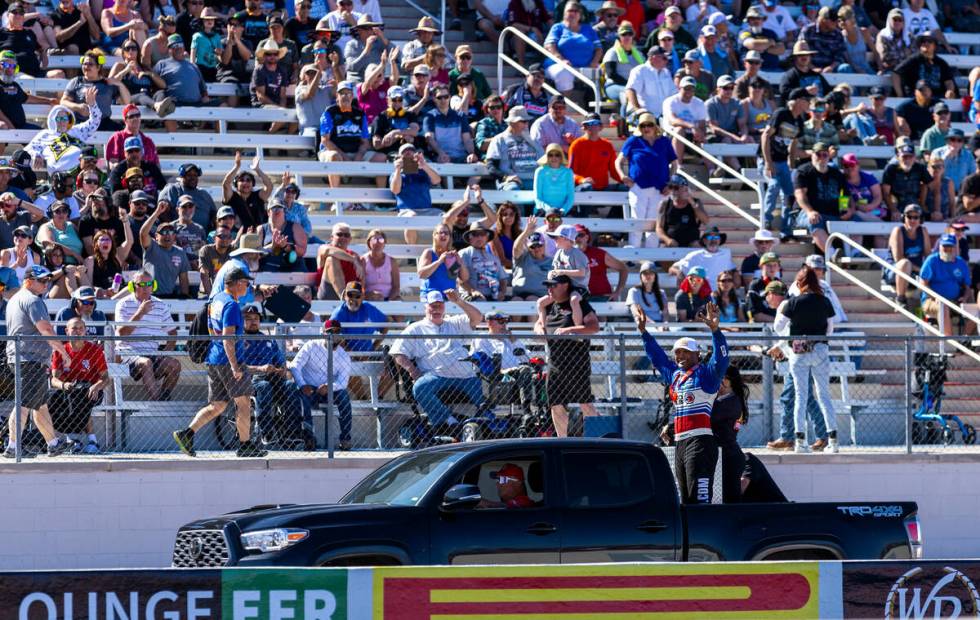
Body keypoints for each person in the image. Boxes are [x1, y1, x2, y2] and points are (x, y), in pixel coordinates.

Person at [637, 302, 728, 504]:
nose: (680, 355)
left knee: (700, 501)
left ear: (697, 355)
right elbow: (658, 358)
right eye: (677, 352)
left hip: (701, 443)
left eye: (686, 352)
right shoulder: (675, 376)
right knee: (684, 501)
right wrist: (644, 332)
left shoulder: (706, 375)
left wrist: (716, 331)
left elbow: (722, 360)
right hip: (680, 443)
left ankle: (703, 534)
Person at [173, 267, 266, 458]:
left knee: (218, 405)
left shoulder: (216, 300)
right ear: (238, 283)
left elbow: (214, 331)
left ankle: (187, 433)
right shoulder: (231, 305)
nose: (248, 286)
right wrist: (234, 366)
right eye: (246, 283)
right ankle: (245, 445)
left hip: (214, 358)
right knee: (244, 402)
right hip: (228, 361)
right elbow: (227, 338)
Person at [2, 266, 74, 458]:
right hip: (30, 359)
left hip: (23, 357)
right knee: (24, 404)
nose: (45, 284)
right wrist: (64, 353)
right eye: (41, 280)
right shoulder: (33, 300)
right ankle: (12, 447)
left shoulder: (14, 299)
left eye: (47, 281)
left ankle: (53, 444)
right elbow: (46, 331)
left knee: (40, 405)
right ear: (28, 281)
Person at [390, 290, 484, 432]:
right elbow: (398, 353)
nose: (436, 309)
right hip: (436, 376)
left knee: (483, 390)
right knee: (420, 387)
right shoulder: (415, 329)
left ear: (444, 307)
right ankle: (447, 421)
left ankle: (486, 421)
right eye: (433, 306)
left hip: (466, 376)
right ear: (425, 307)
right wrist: (412, 370)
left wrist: (459, 301)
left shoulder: (454, 323)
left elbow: (477, 318)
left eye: (440, 305)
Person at [535, 274, 600, 437]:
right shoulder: (549, 306)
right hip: (555, 362)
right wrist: (539, 330)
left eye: (553, 285)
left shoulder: (579, 303)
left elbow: (594, 327)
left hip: (577, 362)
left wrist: (569, 329)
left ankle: (596, 439)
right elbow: (538, 324)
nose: (549, 289)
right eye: (548, 286)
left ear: (565, 286)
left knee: (585, 402)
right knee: (555, 404)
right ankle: (561, 441)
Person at [114, 268, 181, 401]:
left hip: (152, 353)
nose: (145, 288)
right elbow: (121, 334)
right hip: (128, 353)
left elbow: (172, 333)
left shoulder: (160, 305)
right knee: (146, 363)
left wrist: (165, 352)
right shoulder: (123, 304)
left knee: (175, 365)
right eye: (141, 285)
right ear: (133, 286)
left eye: (149, 284)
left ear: (153, 286)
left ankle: (163, 398)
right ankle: (158, 402)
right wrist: (139, 313)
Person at [289, 318, 354, 450]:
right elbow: (295, 366)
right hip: (309, 387)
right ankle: (308, 437)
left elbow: (343, 382)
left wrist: (329, 387)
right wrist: (302, 385)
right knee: (302, 398)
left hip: (330, 390)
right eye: (330, 331)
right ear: (323, 333)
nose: (333, 335)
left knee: (344, 396)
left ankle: (345, 439)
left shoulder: (343, 356)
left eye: (337, 332)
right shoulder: (311, 346)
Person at [48, 316, 109, 455]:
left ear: (85, 331)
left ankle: (90, 442)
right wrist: (64, 385)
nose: (78, 331)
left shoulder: (95, 350)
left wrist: (96, 386)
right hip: (68, 390)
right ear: (67, 331)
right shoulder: (60, 351)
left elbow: (106, 378)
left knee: (82, 396)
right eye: (74, 328)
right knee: (51, 403)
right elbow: (54, 379)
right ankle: (73, 440)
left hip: (91, 391)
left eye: (81, 328)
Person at [615, 112, 676, 248]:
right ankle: (632, 255)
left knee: (655, 223)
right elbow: (619, 161)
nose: (646, 128)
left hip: (660, 188)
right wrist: (622, 176)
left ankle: (651, 258)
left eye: (649, 125)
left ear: (655, 126)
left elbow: (675, 164)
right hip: (638, 187)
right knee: (637, 221)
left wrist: (670, 183)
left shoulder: (664, 142)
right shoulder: (633, 141)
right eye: (643, 125)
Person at [759, 87, 808, 237]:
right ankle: (766, 219)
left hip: (782, 161)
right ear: (799, 100)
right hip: (767, 159)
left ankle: (786, 230)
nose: (809, 103)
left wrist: (791, 166)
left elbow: (793, 146)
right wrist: (768, 163)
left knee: (789, 194)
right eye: (806, 100)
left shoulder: (800, 120)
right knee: (774, 184)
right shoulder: (781, 113)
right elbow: (765, 136)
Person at [793, 141, 852, 253]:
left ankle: (855, 255)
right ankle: (832, 255)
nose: (821, 158)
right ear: (812, 155)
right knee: (815, 220)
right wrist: (810, 211)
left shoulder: (836, 174)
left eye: (824, 155)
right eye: (818, 154)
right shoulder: (803, 171)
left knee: (856, 219)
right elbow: (800, 194)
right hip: (806, 213)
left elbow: (844, 194)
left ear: (828, 156)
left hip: (832, 213)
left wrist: (845, 209)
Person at [25, 89, 102, 174]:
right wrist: (37, 154)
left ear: (69, 120)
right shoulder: (45, 134)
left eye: (65, 118)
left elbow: (95, 121)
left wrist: (92, 105)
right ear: (53, 120)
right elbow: (30, 149)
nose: (62, 121)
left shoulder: (77, 130)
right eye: (59, 118)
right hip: (59, 176)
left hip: (81, 172)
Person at [543, 2, 601, 96]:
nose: (573, 13)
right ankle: (564, 104)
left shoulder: (588, 29)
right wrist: (561, 60)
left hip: (585, 66)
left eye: (576, 11)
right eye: (570, 10)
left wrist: (595, 61)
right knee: (564, 73)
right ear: (564, 13)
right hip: (559, 65)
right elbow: (549, 45)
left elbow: (598, 48)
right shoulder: (558, 27)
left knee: (602, 71)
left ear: (580, 14)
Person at [919, 234, 972, 337]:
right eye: (945, 246)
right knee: (943, 306)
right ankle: (949, 342)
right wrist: (935, 297)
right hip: (931, 301)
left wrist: (965, 297)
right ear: (939, 246)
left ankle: (966, 339)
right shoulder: (932, 260)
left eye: (950, 246)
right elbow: (923, 283)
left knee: (975, 308)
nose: (947, 249)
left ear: (955, 247)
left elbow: (967, 287)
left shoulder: (961, 263)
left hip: (955, 300)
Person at [712, 365, 748, 503]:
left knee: (729, 502)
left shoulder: (726, 402)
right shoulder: (737, 399)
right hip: (730, 455)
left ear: (727, 380)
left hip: (728, 457)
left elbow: (703, 417)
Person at [486, 106, 543, 192]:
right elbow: (491, 167)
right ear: (512, 122)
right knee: (513, 189)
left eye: (527, 121)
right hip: (511, 182)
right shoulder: (499, 139)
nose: (526, 124)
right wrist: (505, 177)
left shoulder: (532, 140)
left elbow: (544, 162)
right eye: (523, 121)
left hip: (534, 180)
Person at [139, 203, 190, 298]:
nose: (167, 235)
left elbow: (183, 278)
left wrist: (185, 297)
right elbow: (143, 233)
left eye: (171, 232)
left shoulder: (180, 252)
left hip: (169, 296)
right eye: (163, 232)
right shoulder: (151, 247)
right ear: (156, 237)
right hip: (149, 295)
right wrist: (157, 212)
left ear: (174, 236)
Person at [423, 83, 479, 165]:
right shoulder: (430, 116)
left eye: (446, 97)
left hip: (461, 156)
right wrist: (441, 153)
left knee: (479, 169)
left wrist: (471, 153)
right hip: (440, 157)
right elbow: (429, 139)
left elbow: (467, 139)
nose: (443, 100)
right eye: (439, 97)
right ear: (434, 99)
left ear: (449, 97)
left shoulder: (460, 115)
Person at [892, 33, 957, 99]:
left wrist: (949, 91)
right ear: (920, 45)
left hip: (937, 98)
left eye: (930, 41)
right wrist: (900, 95)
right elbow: (896, 73)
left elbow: (948, 81)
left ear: (935, 46)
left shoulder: (941, 63)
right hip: (916, 98)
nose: (926, 43)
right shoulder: (912, 60)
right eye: (923, 41)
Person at [568, 113, 621, 192]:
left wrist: (625, 179)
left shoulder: (607, 145)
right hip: (583, 187)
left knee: (626, 187)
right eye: (588, 124)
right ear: (584, 127)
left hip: (603, 188)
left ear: (601, 127)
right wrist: (582, 180)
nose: (592, 126)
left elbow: (614, 171)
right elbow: (570, 173)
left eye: (595, 123)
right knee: (587, 187)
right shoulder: (576, 145)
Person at [222, 151, 273, 232]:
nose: (245, 183)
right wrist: (237, 166)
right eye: (241, 180)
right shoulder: (232, 196)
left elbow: (269, 186)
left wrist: (257, 169)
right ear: (236, 184)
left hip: (257, 236)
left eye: (248, 180)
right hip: (235, 237)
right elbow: (226, 184)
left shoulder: (258, 196)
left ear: (253, 184)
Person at [668, 226, 736, 285]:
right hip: (701, 295)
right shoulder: (695, 255)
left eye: (716, 237)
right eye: (710, 237)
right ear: (704, 241)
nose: (713, 240)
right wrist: (679, 273)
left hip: (720, 294)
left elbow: (733, 271)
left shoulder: (726, 254)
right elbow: (671, 269)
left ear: (720, 240)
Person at [662, 76, 707, 165]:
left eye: (692, 89)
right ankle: (677, 166)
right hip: (671, 136)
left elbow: (702, 124)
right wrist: (692, 126)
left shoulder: (699, 103)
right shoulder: (670, 101)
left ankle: (712, 170)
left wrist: (700, 133)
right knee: (680, 130)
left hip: (692, 136)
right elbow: (673, 121)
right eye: (686, 88)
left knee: (703, 136)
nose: (689, 92)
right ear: (679, 88)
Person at [457, 222, 508, 301]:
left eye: (483, 234)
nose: (479, 237)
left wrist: (502, 292)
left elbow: (503, 279)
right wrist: (473, 291)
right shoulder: (463, 254)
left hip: (492, 297)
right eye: (475, 234)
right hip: (470, 295)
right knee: (480, 300)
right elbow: (460, 280)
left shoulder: (494, 258)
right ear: (470, 237)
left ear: (487, 237)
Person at [575, 224, 626, 302]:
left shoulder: (598, 253)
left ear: (587, 237)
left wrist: (617, 292)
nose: (577, 238)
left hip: (601, 297)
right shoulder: (567, 254)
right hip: (579, 298)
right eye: (574, 235)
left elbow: (623, 269)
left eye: (580, 235)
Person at [881, 143, 932, 222]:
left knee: (932, 217)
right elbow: (886, 193)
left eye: (910, 156)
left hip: (915, 204)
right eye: (904, 157)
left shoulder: (920, 168)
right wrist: (894, 210)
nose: (907, 160)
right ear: (898, 157)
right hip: (896, 204)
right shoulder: (891, 169)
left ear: (914, 157)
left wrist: (922, 203)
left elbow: (930, 186)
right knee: (883, 214)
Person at [602, 23, 644, 115]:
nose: (627, 37)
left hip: (633, 87)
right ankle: (624, 122)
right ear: (619, 37)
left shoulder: (639, 54)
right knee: (627, 94)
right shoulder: (612, 52)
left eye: (630, 34)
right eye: (624, 34)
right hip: (612, 86)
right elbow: (611, 74)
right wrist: (630, 86)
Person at [656, 175, 709, 248]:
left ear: (685, 188)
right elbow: (659, 228)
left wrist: (692, 202)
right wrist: (668, 240)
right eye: (670, 187)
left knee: (696, 246)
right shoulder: (665, 204)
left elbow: (705, 221)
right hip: (671, 243)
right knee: (665, 250)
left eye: (676, 187)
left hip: (691, 243)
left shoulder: (695, 202)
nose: (672, 191)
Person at [316, 222, 363, 300]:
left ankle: (348, 299)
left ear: (350, 239)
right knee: (331, 259)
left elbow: (361, 279)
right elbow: (328, 250)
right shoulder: (323, 248)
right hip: (327, 293)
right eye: (339, 234)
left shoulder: (355, 256)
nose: (343, 238)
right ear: (331, 237)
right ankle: (344, 298)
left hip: (351, 293)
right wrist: (353, 260)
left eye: (346, 235)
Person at [390, 144, 440, 215]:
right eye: (405, 151)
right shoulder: (396, 174)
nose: (408, 152)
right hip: (406, 211)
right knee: (413, 215)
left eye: (411, 150)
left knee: (443, 216)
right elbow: (395, 190)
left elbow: (437, 180)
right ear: (399, 157)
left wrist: (424, 165)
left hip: (427, 210)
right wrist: (398, 169)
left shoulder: (424, 171)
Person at [777, 41, 830, 106]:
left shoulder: (817, 75)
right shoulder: (789, 76)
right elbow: (784, 93)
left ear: (810, 57)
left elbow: (829, 92)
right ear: (795, 57)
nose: (804, 57)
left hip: (819, 111)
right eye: (800, 55)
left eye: (807, 54)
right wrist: (804, 91)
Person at [511, 223, 551, 301]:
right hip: (519, 294)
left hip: (542, 297)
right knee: (516, 301)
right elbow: (516, 249)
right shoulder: (522, 257)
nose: (536, 249)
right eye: (533, 247)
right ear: (528, 247)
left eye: (539, 245)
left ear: (545, 245)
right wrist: (526, 232)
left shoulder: (552, 261)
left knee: (531, 299)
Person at [533, 144, 575, 217]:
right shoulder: (540, 171)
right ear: (547, 156)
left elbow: (571, 196)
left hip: (562, 212)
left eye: (557, 155)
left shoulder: (568, 172)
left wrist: (563, 210)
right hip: (543, 211)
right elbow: (537, 197)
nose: (554, 157)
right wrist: (550, 211)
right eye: (550, 155)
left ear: (561, 156)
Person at [932, 129, 976, 196]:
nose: (956, 143)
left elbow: (973, 175)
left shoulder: (968, 155)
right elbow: (933, 173)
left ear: (962, 143)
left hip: (961, 194)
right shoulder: (937, 153)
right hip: (941, 193)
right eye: (952, 139)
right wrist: (946, 157)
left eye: (959, 140)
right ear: (947, 141)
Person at [547, 224, 590, 290]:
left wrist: (562, 272)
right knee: (543, 300)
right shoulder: (559, 252)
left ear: (566, 239)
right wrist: (551, 273)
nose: (554, 239)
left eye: (557, 237)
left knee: (574, 299)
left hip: (579, 288)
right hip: (564, 287)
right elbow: (556, 270)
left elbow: (582, 272)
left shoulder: (577, 253)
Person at [876, 8, 913, 74]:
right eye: (895, 19)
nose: (897, 22)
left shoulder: (909, 36)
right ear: (889, 21)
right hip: (891, 70)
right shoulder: (883, 35)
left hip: (908, 69)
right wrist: (904, 56)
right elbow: (884, 57)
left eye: (900, 20)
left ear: (904, 22)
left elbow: (914, 54)